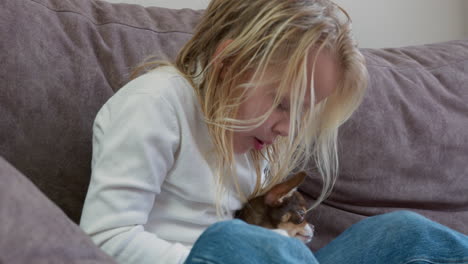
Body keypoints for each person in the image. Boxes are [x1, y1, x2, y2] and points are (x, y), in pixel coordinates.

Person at [79, 0, 468, 263]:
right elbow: (102, 238)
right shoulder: (157, 103)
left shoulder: (254, 147)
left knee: (403, 232)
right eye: (281, 103)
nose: (288, 129)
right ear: (228, 64)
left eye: (303, 113)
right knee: (233, 240)